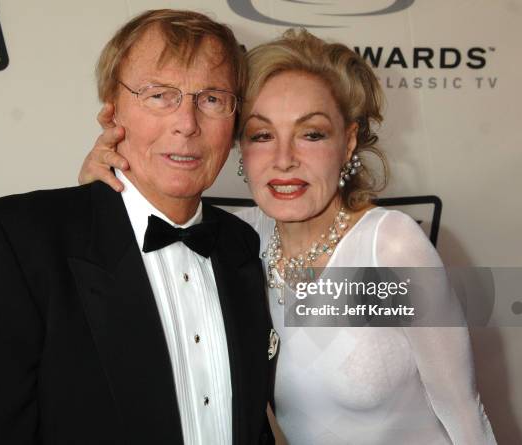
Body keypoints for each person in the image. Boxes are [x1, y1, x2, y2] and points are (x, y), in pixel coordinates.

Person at [79, 28, 497, 444]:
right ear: (240, 146)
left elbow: (463, 411)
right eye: (262, 135)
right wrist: (103, 176)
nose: (284, 160)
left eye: (311, 134)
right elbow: (150, 218)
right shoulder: (242, 241)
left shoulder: (389, 247)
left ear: (348, 142)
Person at [0, 10, 276, 445]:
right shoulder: (16, 239)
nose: (187, 124)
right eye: (159, 95)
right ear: (112, 109)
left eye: (211, 99)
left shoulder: (244, 246)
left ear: (235, 117)